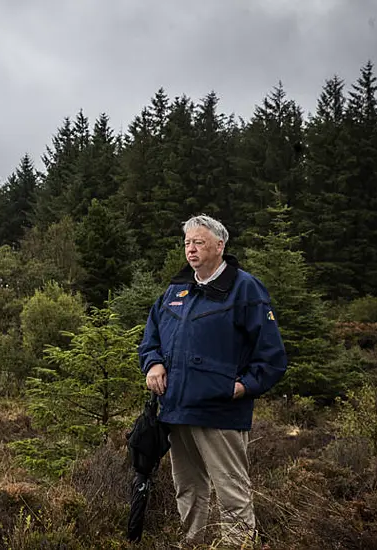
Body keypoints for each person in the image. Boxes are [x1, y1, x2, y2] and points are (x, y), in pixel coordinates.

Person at [138, 214, 287, 547]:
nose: (191, 249)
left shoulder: (244, 287)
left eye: (199, 242)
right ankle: (194, 542)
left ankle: (238, 545)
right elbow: (151, 337)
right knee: (188, 487)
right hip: (176, 408)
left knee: (231, 488)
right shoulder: (175, 289)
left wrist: (242, 386)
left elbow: (272, 356)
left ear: (220, 246)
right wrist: (153, 364)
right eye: (187, 243)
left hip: (221, 410)